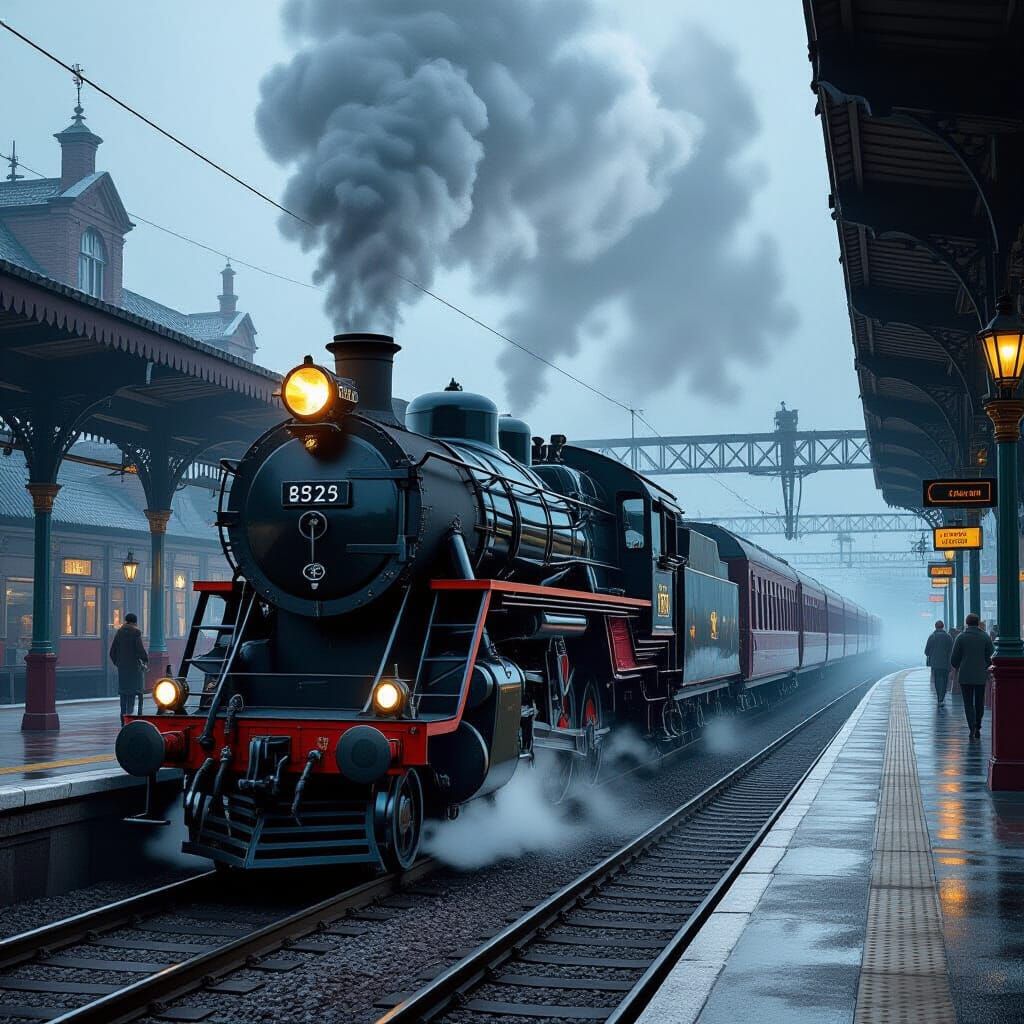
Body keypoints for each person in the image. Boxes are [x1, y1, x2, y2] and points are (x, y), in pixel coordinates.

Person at [950, 612, 994, 740]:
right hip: (980, 674)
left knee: (968, 703)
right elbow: (991, 655)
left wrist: (957, 666)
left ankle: (971, 727)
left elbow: (954, 659)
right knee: (979, 701)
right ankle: (978, 724)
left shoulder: (961, 637)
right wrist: (985, 666)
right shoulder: (985, 637)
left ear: (967, 623)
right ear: (977, 623)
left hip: (965, 675)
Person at [110, 613, 148, 722]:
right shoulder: (136, 632)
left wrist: (118, 664)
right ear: (134, 622)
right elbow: (140, 650)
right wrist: (145, 660)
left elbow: (112, 652)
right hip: (134, 669)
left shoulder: (119, 632)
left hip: (122, 670)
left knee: (124, 693)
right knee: (135, 692)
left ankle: (123, 717)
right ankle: (132, 717)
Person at [924, 620, 953, 708]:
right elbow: (951, 650)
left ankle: (939, 699)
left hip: (935, 664)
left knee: (937, 680)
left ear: (935, 627)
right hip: (946, 663)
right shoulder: (948, 637)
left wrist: (931, 654)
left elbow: (926, 651)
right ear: (943, 626)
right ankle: (942, 697)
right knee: (944, 680)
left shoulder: (932, 636)